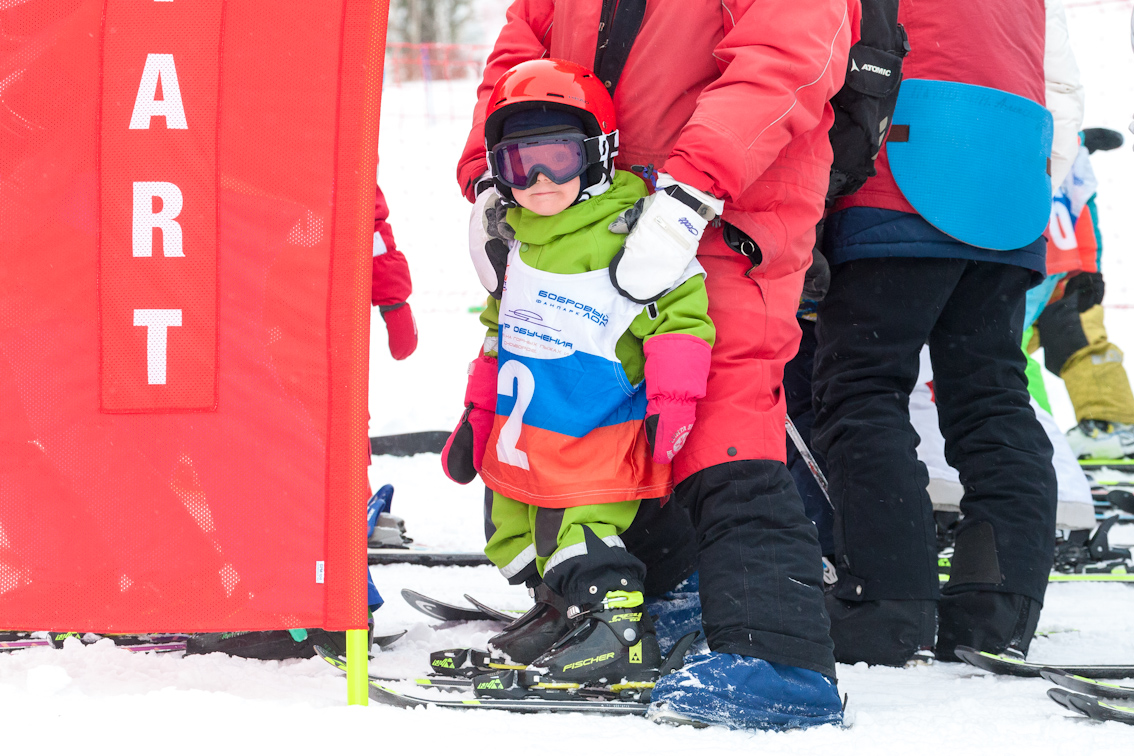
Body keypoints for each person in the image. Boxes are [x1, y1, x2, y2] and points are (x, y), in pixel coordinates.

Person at [455, 0, 857, 731]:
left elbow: (787, 53)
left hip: (725, 203)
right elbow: (520, 50)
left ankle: (779, 655)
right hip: (585, 205)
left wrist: (689, 190)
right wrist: (493, 176)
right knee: (601, 416)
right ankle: (662, 599)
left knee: (723, 415)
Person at [443, 58, 715, 692]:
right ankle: (566, 611)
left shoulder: (628, 235)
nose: (539, 180)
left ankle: (618, 632)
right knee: (514, 531)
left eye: (558, 159)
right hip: (526, 427)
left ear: (596, 156)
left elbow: (681, 314)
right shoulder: (513, 240)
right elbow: (497, 329)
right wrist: (478, 412)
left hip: (596, 425)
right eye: (520, 164)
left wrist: (674, 399)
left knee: (581, 529)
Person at [811, 0, 1059, 667]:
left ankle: (887, 603)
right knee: (992, 395)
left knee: (862, 387)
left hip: (905, 158)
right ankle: (995, 607)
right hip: (1012, 166)